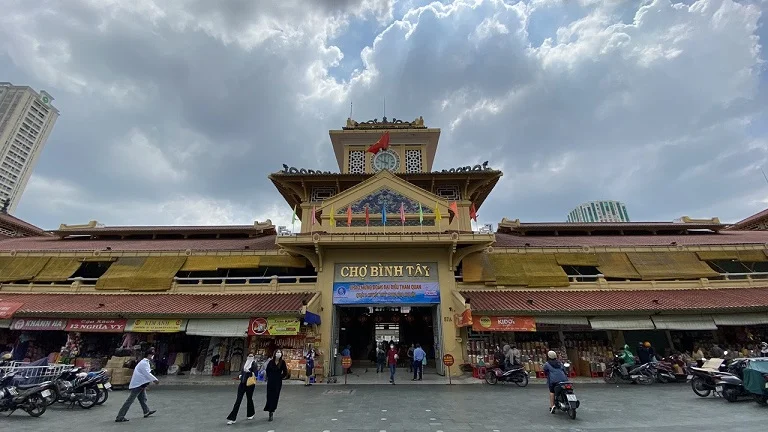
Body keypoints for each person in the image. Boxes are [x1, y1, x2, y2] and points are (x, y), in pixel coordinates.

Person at [115, 348, 158, 422]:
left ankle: (146, 411)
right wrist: (155, 380)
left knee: (143, 399)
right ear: (149, 355)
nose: (152, 356)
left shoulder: (145, 362)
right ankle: (120, 416)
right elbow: (147, 373)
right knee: (129, 401)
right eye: (152, 355)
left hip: (141, 384)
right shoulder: (144, 363)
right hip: (138, 385)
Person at [226, 353, 258, 425]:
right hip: (242, 384)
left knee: (249, 399)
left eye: (251, 356)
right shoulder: (245, 363)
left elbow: (255, 374)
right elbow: (242, 372)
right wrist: (240, 375)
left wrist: (249, 372)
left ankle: (251, 413)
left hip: (250, 384)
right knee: (238, 401)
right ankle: (232, 418)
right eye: (249, 356)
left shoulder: (254, 364)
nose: (250, 357)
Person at [264, 348, 290, 422]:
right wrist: (269, 377)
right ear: (274, 353)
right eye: (277, 352)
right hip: (271, 381)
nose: (278, 353)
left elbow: (285, 372)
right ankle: (269, 409)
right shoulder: (271, 362)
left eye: (280, 352)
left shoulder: (282, 362)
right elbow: (267, 370)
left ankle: (272, 411)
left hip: (278, 382)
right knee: (269, 395)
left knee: (275, 396)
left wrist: (280, 377)